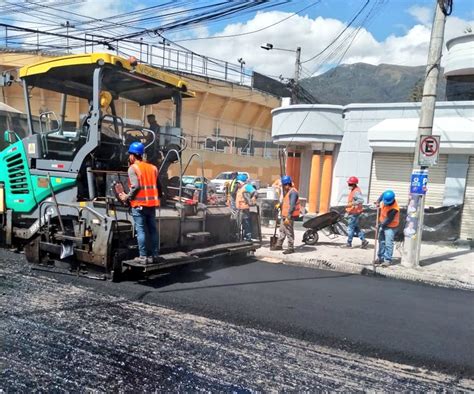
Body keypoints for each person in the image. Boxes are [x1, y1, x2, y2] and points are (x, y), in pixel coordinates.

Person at [119, 142, 160, 264]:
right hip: (152, 204)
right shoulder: (153, 168)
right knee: (153, 230)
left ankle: (143, 257)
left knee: (140, 230)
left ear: (132, 156)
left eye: (130, 155)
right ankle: (155, 255)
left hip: (139, 205)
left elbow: (136, 186)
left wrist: (126, 197)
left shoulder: (133, 168)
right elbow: (158, 185)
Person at [274, 175, 300, 254]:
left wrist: (288, 217)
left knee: (289, 231)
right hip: (284, 215)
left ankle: (290, 248)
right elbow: (286, 202)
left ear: (287, 184)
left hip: (289, 216)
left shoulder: (293, 192)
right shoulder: (288, 192)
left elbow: (292, 206)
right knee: (282, 230)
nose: (282, 187)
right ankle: (279, 245)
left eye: (283, 185)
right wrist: (280, 205)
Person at [375, 190, 400, 267]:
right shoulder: (386, 196)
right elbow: (383, 195)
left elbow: (388, 220)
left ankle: (387, 260)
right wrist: (378, 201)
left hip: (391, 227)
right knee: (381, 242)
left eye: (386, 202)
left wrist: (380, 225)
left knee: (388, 243)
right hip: (383, 224)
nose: (385, 203)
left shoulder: (394, 209)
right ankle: (380, 258)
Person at [344, 176, 369, 249]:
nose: (349, 185)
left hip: (354, 213)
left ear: (354, 184)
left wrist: (353, 203)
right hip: (353, 212)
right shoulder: (354, 190)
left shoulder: (356, 191)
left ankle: (349, 243)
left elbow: (361, 200)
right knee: (355, 228)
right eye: (349, 184)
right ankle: (363, 240)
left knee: (350, 228)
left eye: (350, 184)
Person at [235, 173, 257, 241]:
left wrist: (253, 198)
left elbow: (255, 192)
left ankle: (248, 238)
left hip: (245, 209)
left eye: (238, 182)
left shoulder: (247, 186)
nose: (237, 184)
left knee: (246, 223)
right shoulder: (240, 188)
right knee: (239, 224)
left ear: (241, 182)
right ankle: (240, 238)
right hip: (239, 209)